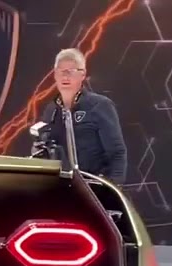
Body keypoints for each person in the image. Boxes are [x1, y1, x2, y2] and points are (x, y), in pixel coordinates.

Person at [38, 48, 127, 184]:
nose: (65, 76)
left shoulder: (99, 105)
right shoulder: (51, 110)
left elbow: (117, 153)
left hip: (95, 185)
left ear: (83, 74)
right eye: (61, 71)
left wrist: (113, 188)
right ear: (55, 75)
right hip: (62, 187)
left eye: (71, 71)